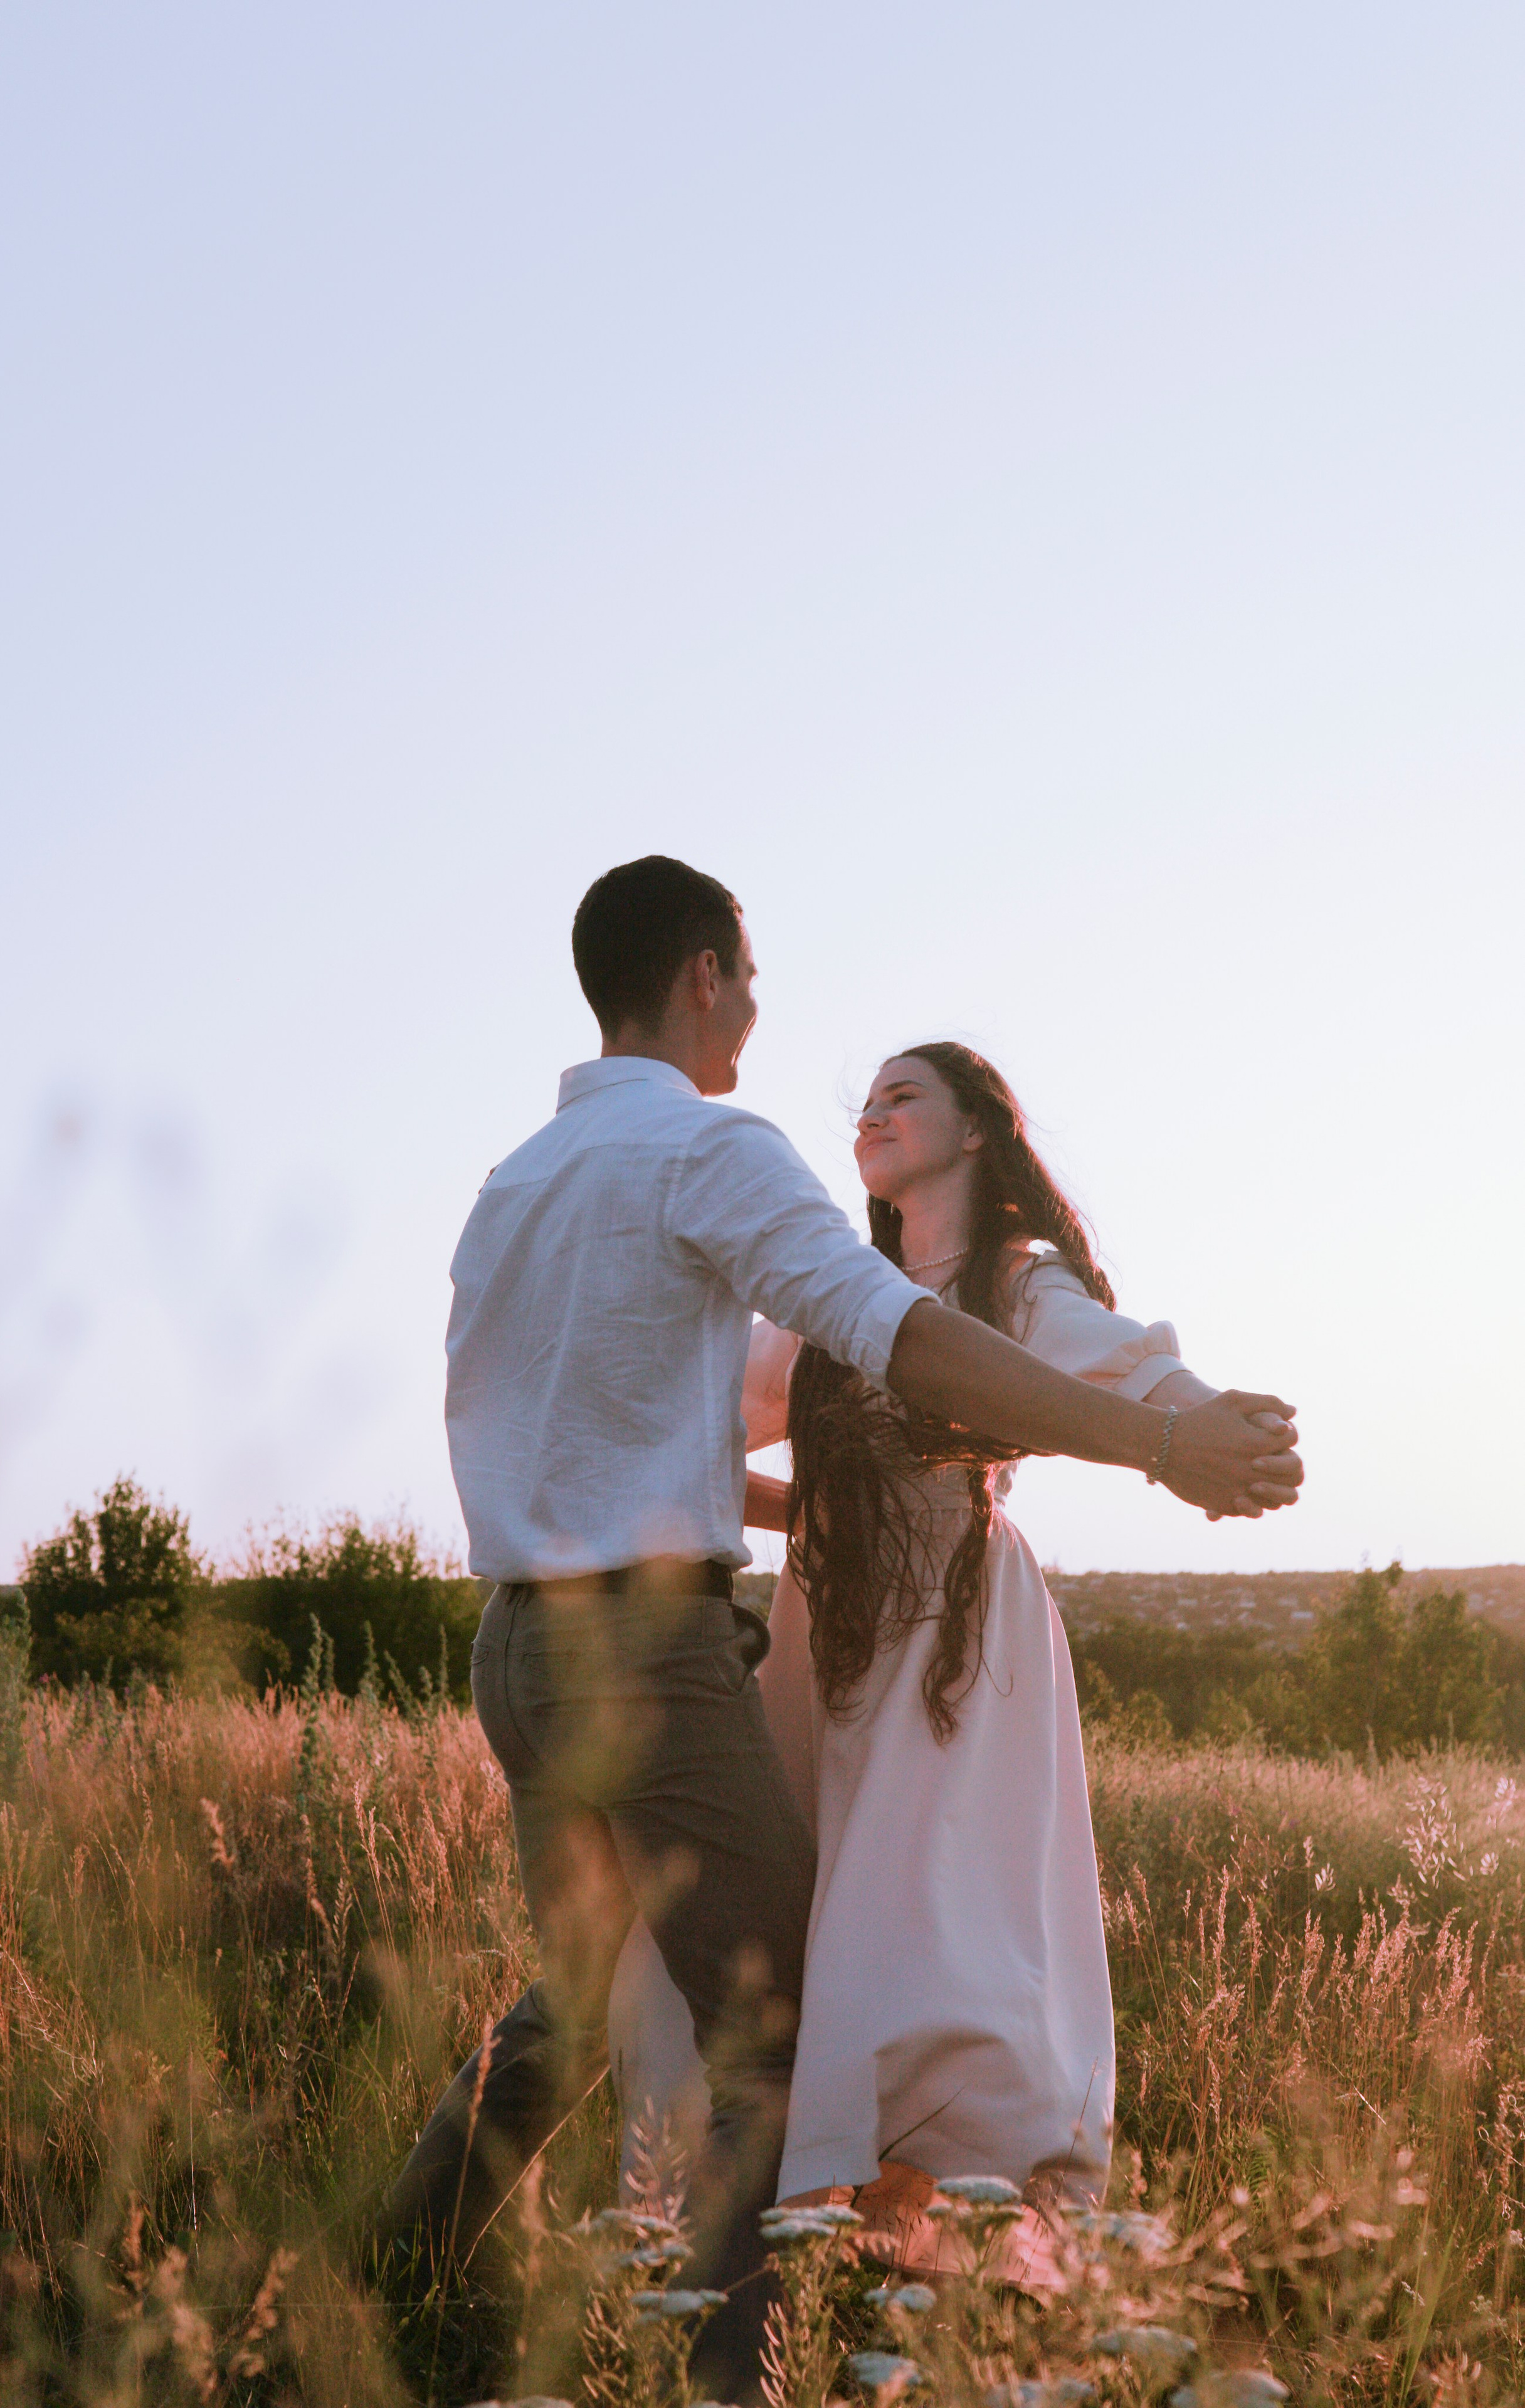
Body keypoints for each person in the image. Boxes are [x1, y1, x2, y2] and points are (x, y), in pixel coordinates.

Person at [383, 858, 1302, 2400]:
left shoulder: (513, 1184)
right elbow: (903, 1341)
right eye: (745, 978)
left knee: (590, 1991)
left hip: (517, 1656)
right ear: (699, 975)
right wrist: (1150, 1448)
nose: (756, 1011)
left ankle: (399, 2275)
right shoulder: (709, 1149)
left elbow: (559, 1424)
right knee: (774, 2015)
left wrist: (836, 1505)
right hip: (650, 1659)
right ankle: (738, 2372)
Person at [608, 1042, 1285, 2279]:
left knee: (914, 1942)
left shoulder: (1010, 1282)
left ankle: (920, 2242)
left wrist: (1199, 1414)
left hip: (953, 1641)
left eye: (900, 1094)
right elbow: (694, 1426)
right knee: (735, 1914)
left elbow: (1117, 1356)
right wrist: (807, 1508)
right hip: (822, 1636)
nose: (870, 1113)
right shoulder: (829, 1290)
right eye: (862, 1102)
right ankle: (735, 2230)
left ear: (975, 1130)